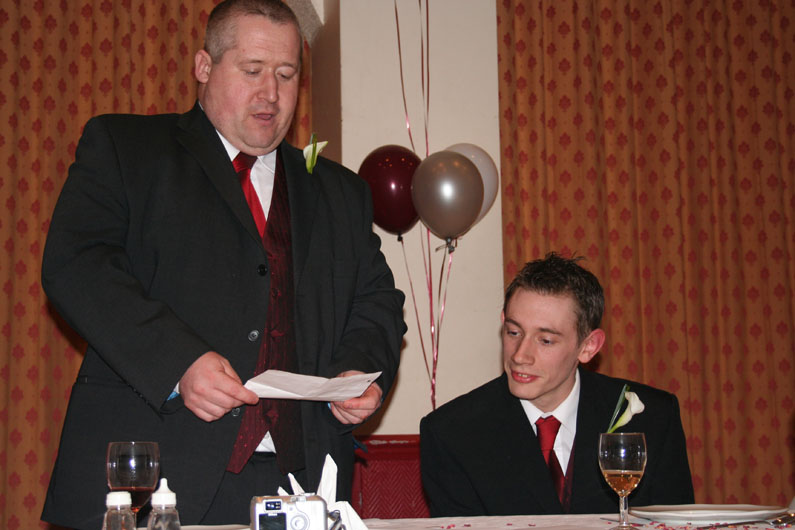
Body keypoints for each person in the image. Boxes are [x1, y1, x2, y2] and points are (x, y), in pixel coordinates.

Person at [40, 1, 406, 527]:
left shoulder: (340, 190)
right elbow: (77, 265)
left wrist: (356, 372)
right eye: (253, 71)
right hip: (153, 476)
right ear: (204, 67)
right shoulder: (128, 148)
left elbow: (377, 301)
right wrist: (179, 363)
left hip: (300, 481)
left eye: (286, 74)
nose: (271, 93)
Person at [420, 253, 694, 516]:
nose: (520, 355)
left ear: (588, 347)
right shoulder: (453, 433)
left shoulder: (653, 419)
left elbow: (676, 523)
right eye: (514, 332)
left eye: (546, 340)